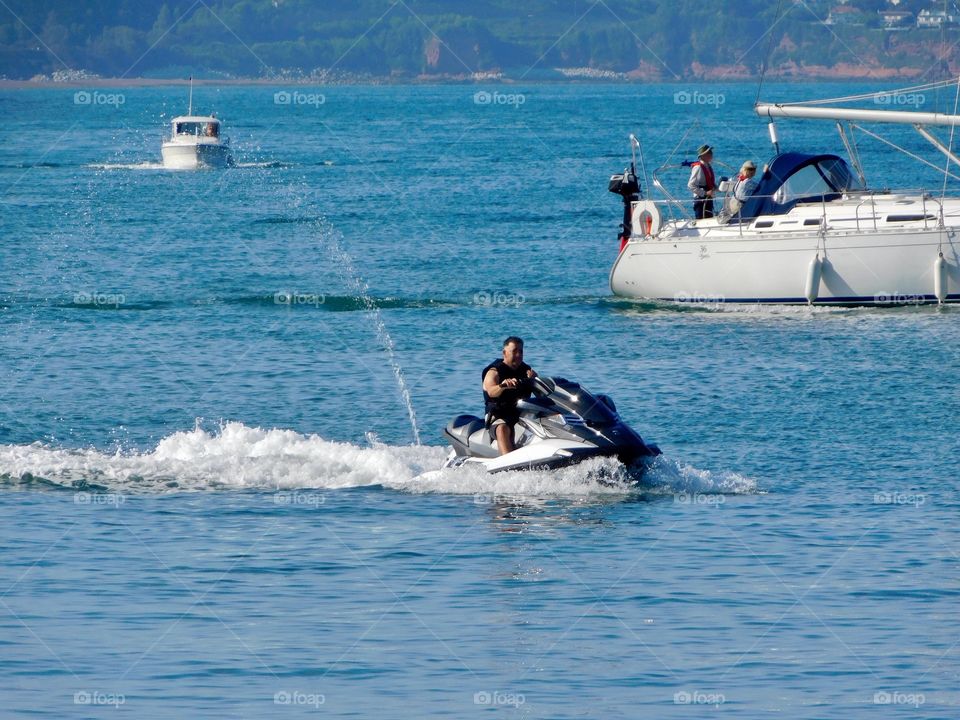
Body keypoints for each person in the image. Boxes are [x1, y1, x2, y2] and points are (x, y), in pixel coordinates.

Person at [482, 336, 538, 455]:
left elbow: (540, 392)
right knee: (503, 429)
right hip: (498, 416)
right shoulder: (494, 371)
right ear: (504, 353)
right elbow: (491, 391)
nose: (518, 355)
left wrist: (535, 381)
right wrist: (502, 386)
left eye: (521, 351)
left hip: (521, 414)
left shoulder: (526, 370)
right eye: (514, 351)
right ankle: (507, 466)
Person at [687, 144, 717, 219]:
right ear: (703, 156)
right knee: (701, 220)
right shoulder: (698, 167)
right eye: (709, 153)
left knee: (709, 218)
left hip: (708, 199)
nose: (711, 154)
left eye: (711, 152)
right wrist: (704, 193)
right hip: (701, 200)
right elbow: (690, 185)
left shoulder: (708, 166)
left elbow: (709, 182)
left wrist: (717, 187)